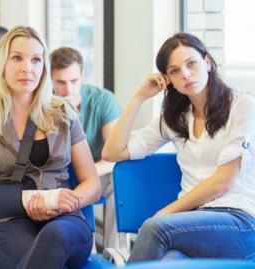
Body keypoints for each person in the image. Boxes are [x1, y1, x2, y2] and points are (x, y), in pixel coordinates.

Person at [102, 32, 255, 262]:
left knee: (156, 228)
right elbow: (112, 152)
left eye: (191, 64)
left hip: (239, 222)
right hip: (192, 226)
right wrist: (139, 97)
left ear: (208, 62)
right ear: (168, 79)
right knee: (170, 261)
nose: (185, 74)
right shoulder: (176, 119)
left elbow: (223, 181)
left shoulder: (243, 106)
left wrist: (165, 214)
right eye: (174, 70)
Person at [0, 25, 102, 269]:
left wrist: (59, 202)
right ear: (2, 64)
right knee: (40, 256)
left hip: (65, 222)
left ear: (44, 67)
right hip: (5, 224)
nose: (28, 68)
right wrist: (35, 200)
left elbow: (92, 184)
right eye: (17, 58)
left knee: (54, 237)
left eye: (36, 59)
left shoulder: (63, 113)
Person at [50, 47, 121, 248]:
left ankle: (112, 252)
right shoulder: (43, 104)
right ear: (51, 80)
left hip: (98, 170)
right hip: (58, 174)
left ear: (82, 76)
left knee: (119, 183)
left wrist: (89, 173)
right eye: (60, 83)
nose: (69, 89)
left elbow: (115, 155)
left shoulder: (103, 100)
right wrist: (62, 118)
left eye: (74, 81)